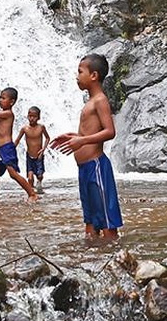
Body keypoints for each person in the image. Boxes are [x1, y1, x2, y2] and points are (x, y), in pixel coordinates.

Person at [50, 53, 123, 240]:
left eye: (80, 71)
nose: (77, 76)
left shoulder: (100, 100)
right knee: (90, 218)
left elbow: (109, 132)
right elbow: (91, 132)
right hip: (84, 168)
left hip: (96, 167)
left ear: (94, 76)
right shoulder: (90, 101)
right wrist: (74, 136)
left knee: (106, 219)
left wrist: (81, 141)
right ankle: (91, 256)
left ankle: (114, 257)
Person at [0, 87, 38, 202]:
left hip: (7, 148)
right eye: (0, 98)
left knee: (13, 174)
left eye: (3, 98)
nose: (0, 100)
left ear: (11, 102)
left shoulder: (8, 113)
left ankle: (32, 193)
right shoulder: (3, 114)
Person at [15, 106, 51, 192]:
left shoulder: (41, 127)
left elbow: (47, 138)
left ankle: (39, 184)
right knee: (30, 178)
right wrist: (11, 149)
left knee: (39, 175)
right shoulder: (25, 129)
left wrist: (43, 149)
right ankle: (31, 193)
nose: (31, 118)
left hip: (39, 156)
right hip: (29, 156)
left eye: (34, 117)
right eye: (30, 116)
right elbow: (17, 140)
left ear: (38, 118)